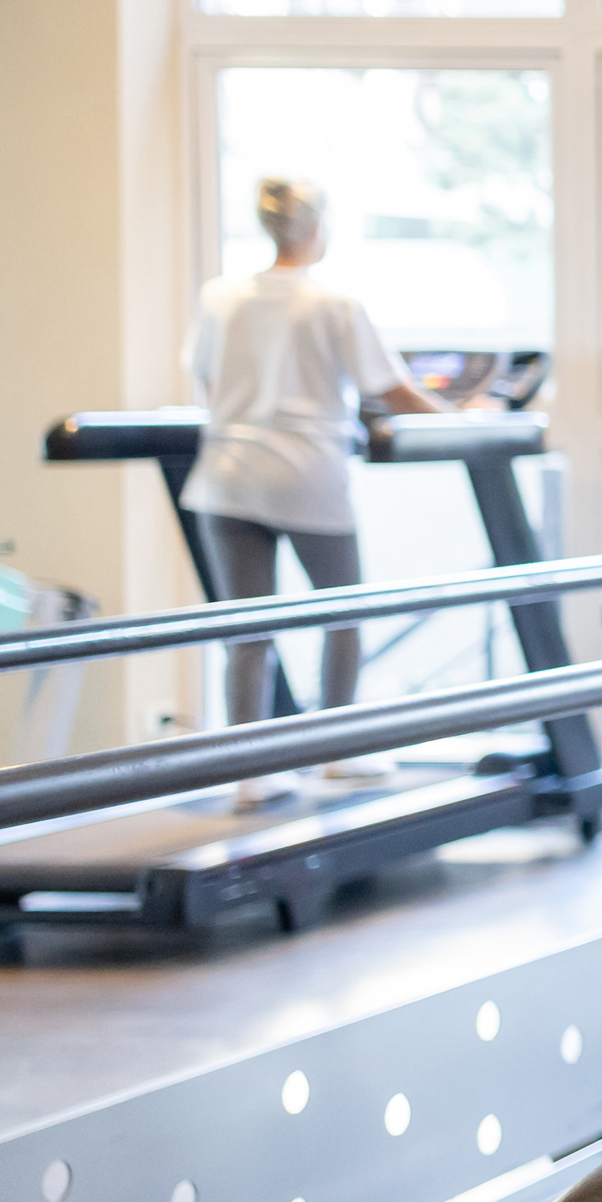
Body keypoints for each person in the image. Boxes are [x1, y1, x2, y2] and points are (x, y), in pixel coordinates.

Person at [182, 176, 452, 806]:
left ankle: (249, 769)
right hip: (304, 473)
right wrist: (462, 418)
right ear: (315, 228)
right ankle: (335, 752)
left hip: (226, 473)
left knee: (246, 628)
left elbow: (199, 371)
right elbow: (392, 390)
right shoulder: (333, 304)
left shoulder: (220, 297)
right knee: (344, 612)